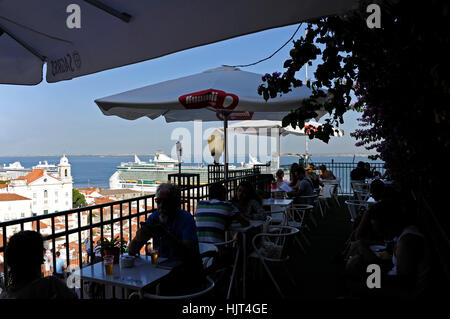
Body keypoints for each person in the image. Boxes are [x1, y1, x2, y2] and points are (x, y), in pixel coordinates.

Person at [127, 183, 204, 295]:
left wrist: (164, 234)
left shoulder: (186, 219)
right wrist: (140, 237)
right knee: (132, 285)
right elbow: (131, 251)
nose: (161, 205)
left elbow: (188, 255)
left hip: (186, 274)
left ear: (176, 203)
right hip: (161, 271)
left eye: (166, 201)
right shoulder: (154, 217)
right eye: (158, 201)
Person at [0, 231, 77, 299]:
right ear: (39, 260)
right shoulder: (51, 286)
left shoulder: (5, 295)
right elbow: (73, 296)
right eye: (41, 254)